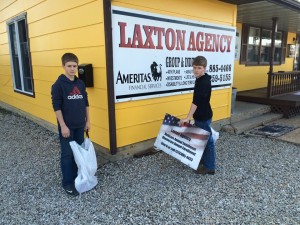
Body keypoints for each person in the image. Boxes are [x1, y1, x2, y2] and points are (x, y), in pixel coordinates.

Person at [51, 53, 90, 196]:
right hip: (67, 127)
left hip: (80, 125)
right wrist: (63, 126)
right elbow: (57, 106)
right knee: (67, 154)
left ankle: (77, 177)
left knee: (78, 152)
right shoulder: (58, 85)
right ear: (63, 66)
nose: (72, 69)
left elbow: (86, 103)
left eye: (75, 66)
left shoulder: (80, 83)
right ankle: (67, 182)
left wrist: (88, 121)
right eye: (69, 66)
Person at [179, 56, 215, 175]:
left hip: (203, 116)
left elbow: (196, 101)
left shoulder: (203, 82)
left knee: (208, 141)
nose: (196, 70)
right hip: (200, 115)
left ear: (204, 68)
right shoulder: (200, 79)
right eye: (194, 67)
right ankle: (204, 161)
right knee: (202, 139)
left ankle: (210, 167)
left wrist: (188, 117)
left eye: (199, 68)